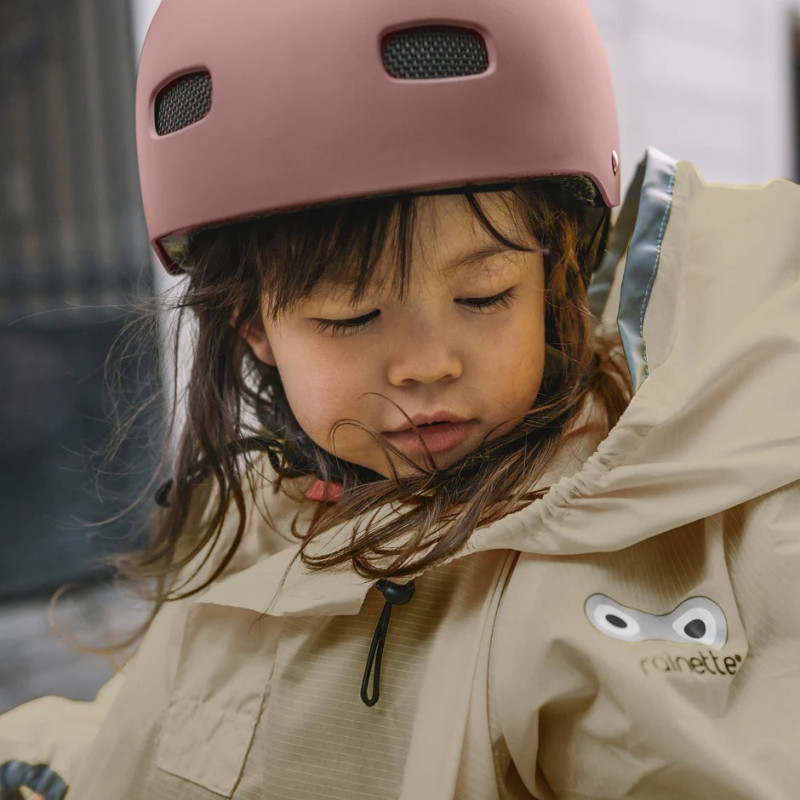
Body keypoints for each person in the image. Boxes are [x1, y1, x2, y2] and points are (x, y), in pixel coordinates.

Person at [2, 0, 800, 798]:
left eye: (484, 295)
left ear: (557, 273)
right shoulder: (268, 514)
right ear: (253, 328)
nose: (427, 365)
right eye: (352, 317)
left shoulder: (607, 580)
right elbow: (143, 739)